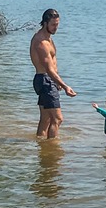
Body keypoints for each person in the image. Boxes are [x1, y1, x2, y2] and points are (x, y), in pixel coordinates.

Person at [30, 8, 77, 139]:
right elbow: (49, 69)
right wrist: (65, 86)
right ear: (45, 23)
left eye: (57, 24)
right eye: (53, 25)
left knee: (46, 119)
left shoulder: (48, 38)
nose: (56, 27)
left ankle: (42, 146)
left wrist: (57, 81)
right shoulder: (41, 42)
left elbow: (53, 65)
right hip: (45, 80)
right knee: (57, 119)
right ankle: (53, 150)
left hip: (46, 80)